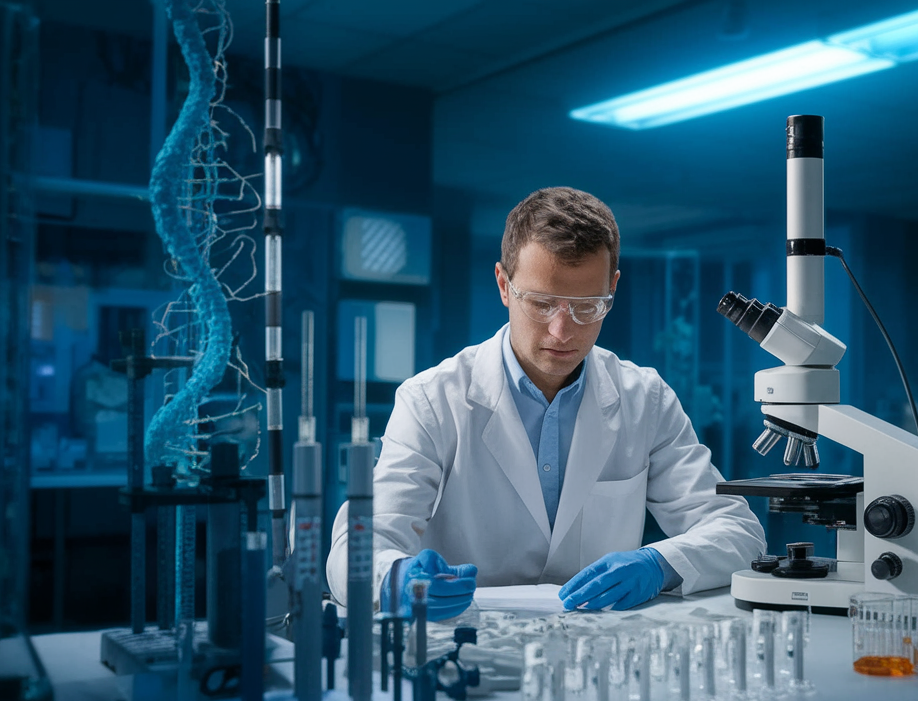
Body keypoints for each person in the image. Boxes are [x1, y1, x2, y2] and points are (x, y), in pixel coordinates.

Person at [326, 187, 764, 619]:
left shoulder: (644, 399)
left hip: (600, 653)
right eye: (541, 303)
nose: (562, 331)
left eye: (588, 306)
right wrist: (395, 577)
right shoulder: (432, 400)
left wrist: (660, 565)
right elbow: (358, 548)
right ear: (503, 285)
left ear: (612, 288)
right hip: (469, 646)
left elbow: (738, 531)